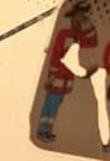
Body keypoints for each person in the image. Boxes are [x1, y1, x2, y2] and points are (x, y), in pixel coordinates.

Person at [36, 1, 99, 143]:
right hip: (57, 76)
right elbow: (55, 54)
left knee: (56, 105)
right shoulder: (64, 35)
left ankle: (48, 130)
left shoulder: (81, 36)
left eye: (82, 18)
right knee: (49, 104)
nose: (79, 21)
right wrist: (52, 73)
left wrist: (88, 26)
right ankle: (42, 130)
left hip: (67, 79)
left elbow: (92, 42)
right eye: (78, 18)